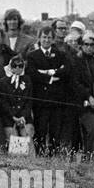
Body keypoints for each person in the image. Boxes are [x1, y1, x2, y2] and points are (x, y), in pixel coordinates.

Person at [25, 25, 70, 153]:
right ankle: (39, 155)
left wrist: (48, 71)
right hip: (40, 100)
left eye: (49, 37)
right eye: (44, 37)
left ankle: (53, 156)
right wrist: (50, 77)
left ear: (53, 39)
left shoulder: (60, 55)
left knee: (55, 130)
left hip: (56, 99)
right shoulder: (32, 55)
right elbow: (33, 74)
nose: (46, 40)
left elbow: (66, 70)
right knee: (41, 129)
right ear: (39, 38)